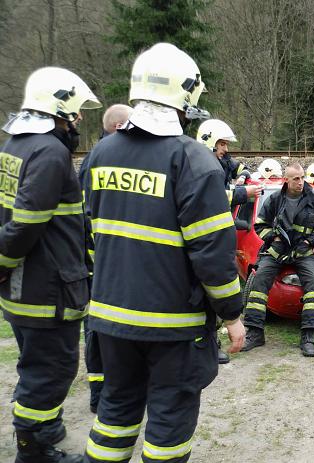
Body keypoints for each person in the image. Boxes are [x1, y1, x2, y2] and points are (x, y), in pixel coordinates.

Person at [79, 42, 245, 463]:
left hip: (110, 318)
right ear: (185, 95)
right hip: (172, 325)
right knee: (169, 421)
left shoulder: (101, 153)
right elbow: (213, 254)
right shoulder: (193, 161)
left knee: (115, 410)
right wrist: (232, 314)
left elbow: (90, 235)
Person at [0, 67, 101, 463]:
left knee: (33, 362)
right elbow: (25, 223)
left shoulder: (14, 145)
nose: (77, 120)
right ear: (59, 108)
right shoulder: (50, 152)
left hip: (23, 286)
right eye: (75, 113)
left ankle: (45, 426)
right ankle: (34, 449)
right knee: (50, 370)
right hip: (48, 287)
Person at [242, 163, 314, 357]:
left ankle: (308, 335)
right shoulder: (274, 199)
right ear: (286, 180)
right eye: (296, 179)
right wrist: (273, 237)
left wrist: (309, 241)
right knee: (259, 280)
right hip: (276, 251)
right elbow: (260, 225)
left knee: (313, 284)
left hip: (303, 252)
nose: (300, 182)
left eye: (302, 178)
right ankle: (255, 333)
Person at [81, 104, 133, 414]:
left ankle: (108, 387)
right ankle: (99, 390)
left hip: (104, 260)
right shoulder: (101, 157)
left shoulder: (105, 154)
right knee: (97, 329)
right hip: (97, 262)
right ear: (117, 127)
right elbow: (90, 216)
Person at [196, 119, 262, 365]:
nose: (225, 149)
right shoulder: (197, 164)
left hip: (218, 232)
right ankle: (211, 343)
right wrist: (245, 193)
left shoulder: (220, 159)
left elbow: (238, 166)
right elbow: (212, 196)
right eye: (222, 144)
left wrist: (244, 175)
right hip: (205, 236)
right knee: (207, 293)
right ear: (209, 141)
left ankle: (212, 343)